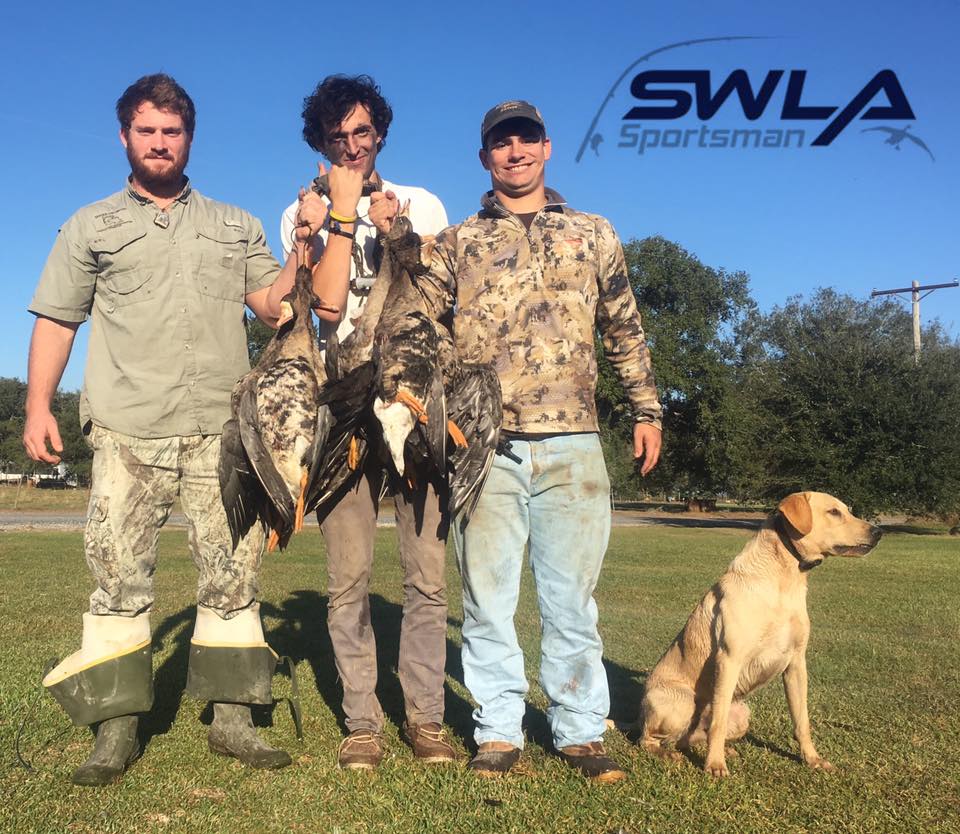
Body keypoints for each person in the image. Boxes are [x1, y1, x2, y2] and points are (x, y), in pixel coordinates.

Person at [24, 74, 320, 786]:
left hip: (223, 431)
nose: (161, 142)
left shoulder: (233, 223)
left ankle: (233, 720)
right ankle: (115, 729)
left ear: (190, 137)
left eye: (173, 131)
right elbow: (58, 319)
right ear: (125, 135)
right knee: (118, 578)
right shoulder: (90, 225)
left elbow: (274, 308)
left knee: (234, 573)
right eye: (148, 130)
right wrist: (38, 406)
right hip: (129, 428)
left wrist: (305, 246)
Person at [418, 100, 663, 782]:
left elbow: (623, 327)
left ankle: (581, 731)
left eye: (526, 139)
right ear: (485, 157)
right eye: (502, 142)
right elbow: (420, 327)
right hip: (485, 445)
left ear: (547, 149)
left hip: (575, 443)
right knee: (487, 599)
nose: (515, 151)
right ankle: (498, 732)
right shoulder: (456, 243)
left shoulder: (593, 233)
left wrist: (646, 410)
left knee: (571, 599)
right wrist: (436, 413)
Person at [278, 75, 453, 770]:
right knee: (348, 577)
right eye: (335, 137)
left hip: (412, 396)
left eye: (361, 132)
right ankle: (362, 722)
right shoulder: (298, 211)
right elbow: (321, 311)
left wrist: (397, 229)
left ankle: (427, 720)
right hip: (342, 404)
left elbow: (440, 296)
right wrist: (337, 223)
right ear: (319, 143)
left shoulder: (424, 202)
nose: (350, 146)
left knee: (427, 576)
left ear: (379, 132)